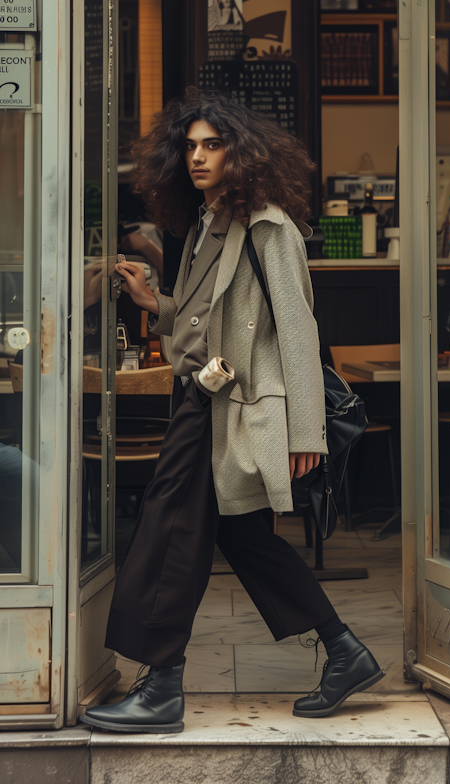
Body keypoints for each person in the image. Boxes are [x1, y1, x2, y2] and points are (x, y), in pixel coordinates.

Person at [81, 89, 384, 734]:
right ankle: (344, 650)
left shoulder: (266, 226)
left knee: (170, 530)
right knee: (239, 535)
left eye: (211, 145)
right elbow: (199, 326)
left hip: (231, 409)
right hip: (201, 398)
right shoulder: (203, 225)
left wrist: (308, 432)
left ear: (240, 153)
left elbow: (299, 331)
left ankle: (162, 688)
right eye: (189, 146)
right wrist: (151, 299)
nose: (197, 157)